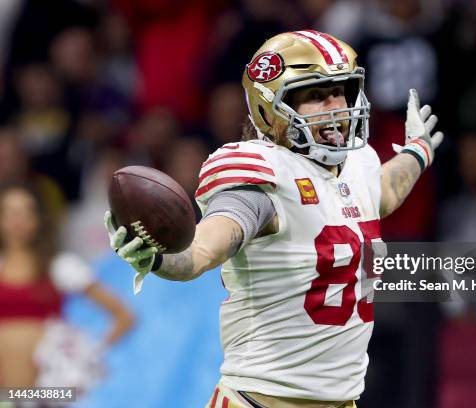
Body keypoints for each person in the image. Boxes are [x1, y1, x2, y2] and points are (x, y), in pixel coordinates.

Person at [105, 30, 443, 407]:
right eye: (316, 95)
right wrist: (159, 258)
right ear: (271, 110)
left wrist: (418, 151)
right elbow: (204, 248)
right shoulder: (264, 177)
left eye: (341, 90)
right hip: (261, 400)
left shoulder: (359, 164)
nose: (335, 105)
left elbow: (385, 191)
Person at [0, 184, 134, 389]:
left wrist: (86, 356)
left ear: (38, 219)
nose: (17, 220)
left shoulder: (59, 267)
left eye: (25, 212)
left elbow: (123, 316)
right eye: (9, 212)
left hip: (46, 396)